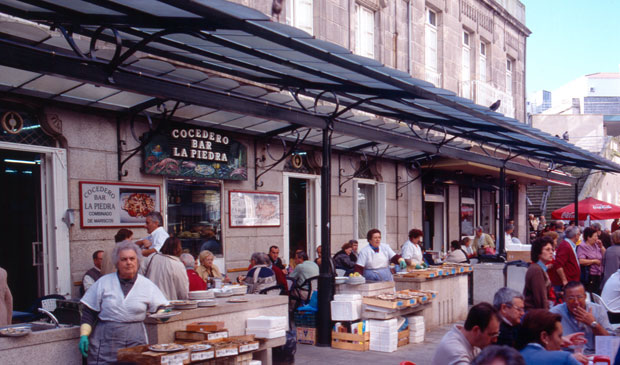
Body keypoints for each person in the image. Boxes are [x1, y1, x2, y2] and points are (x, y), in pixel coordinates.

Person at [79, 240, 169, 364]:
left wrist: (164, 314)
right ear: (117, 263)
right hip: (105, 340)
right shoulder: (103, 283)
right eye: (124, 259)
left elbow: (160, 306)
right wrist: (84, 335)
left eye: (132, 259)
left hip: (135, 340)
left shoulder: (146, 285)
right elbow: (89, 312)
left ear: (137, 261)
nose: (128, 262)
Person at [550, 281, 611, 354]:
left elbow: (609, 341)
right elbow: (548, 344)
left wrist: (593, 324)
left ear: (585, 296)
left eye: (579, 297)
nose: (576, 302)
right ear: (564, 298)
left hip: (594, 355)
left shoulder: (598, 310)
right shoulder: (555, 313)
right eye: (571, 298)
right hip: (567, 356)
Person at [431, 302, 500, 365]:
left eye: (496, 334)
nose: (495, 340)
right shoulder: (456, 352)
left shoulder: (470, 341)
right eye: (492, 334)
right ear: (476, 330)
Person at [516, 309, 584, 365]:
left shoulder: (510, 359)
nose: (561, 343)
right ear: (544, 337)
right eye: (559, 336)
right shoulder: (564, 359)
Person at [523, 236, 554, 310]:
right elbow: (540, 298)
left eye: (552, 249)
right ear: (538, 252)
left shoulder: (539, 268)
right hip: (534, 313)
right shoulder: (537, 270)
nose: (551, 252)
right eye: (547, 249)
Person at [548, 226, 581, 296]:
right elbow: (558, 265)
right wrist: (564, 280)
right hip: (566, 284)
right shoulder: (566, 246)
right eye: (579, 234)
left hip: (571, 281)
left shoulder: (569, 245)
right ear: (576, 235)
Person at [577, 226, 605, 295]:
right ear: (588, 237)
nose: (597, 238)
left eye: (597, 236)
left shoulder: (596, 245)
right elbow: (581, 261)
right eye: (595, 236)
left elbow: (605, 256)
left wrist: (601, 246)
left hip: (599, 274)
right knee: (591, 295)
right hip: (590, 276)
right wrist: (594, 261)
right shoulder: (582, 246)